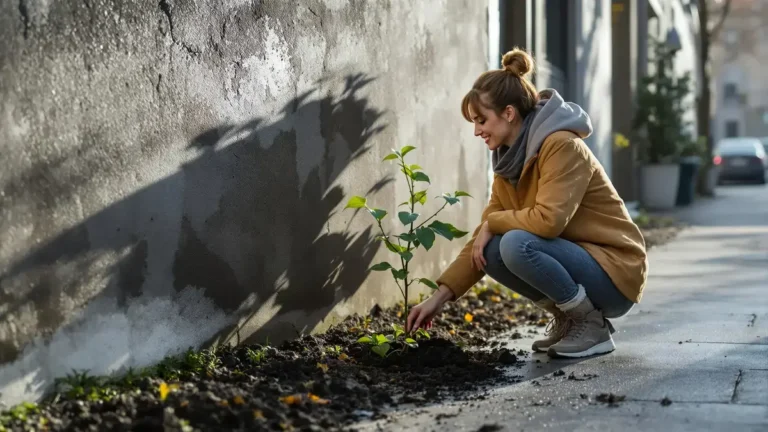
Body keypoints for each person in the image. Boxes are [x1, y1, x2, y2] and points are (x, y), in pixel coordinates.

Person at [406, 48, 648, 358]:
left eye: (481, 120)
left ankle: (590, 325)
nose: (477, 130)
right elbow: (485, 235)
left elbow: (548, 221)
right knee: (491, 250)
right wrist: (437, 298)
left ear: (508, 113)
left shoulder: (562, 146)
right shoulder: (508, 164)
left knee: (516, 242)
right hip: (580, 262)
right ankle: (569, 318)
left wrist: (493, 223)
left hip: (613, 272)